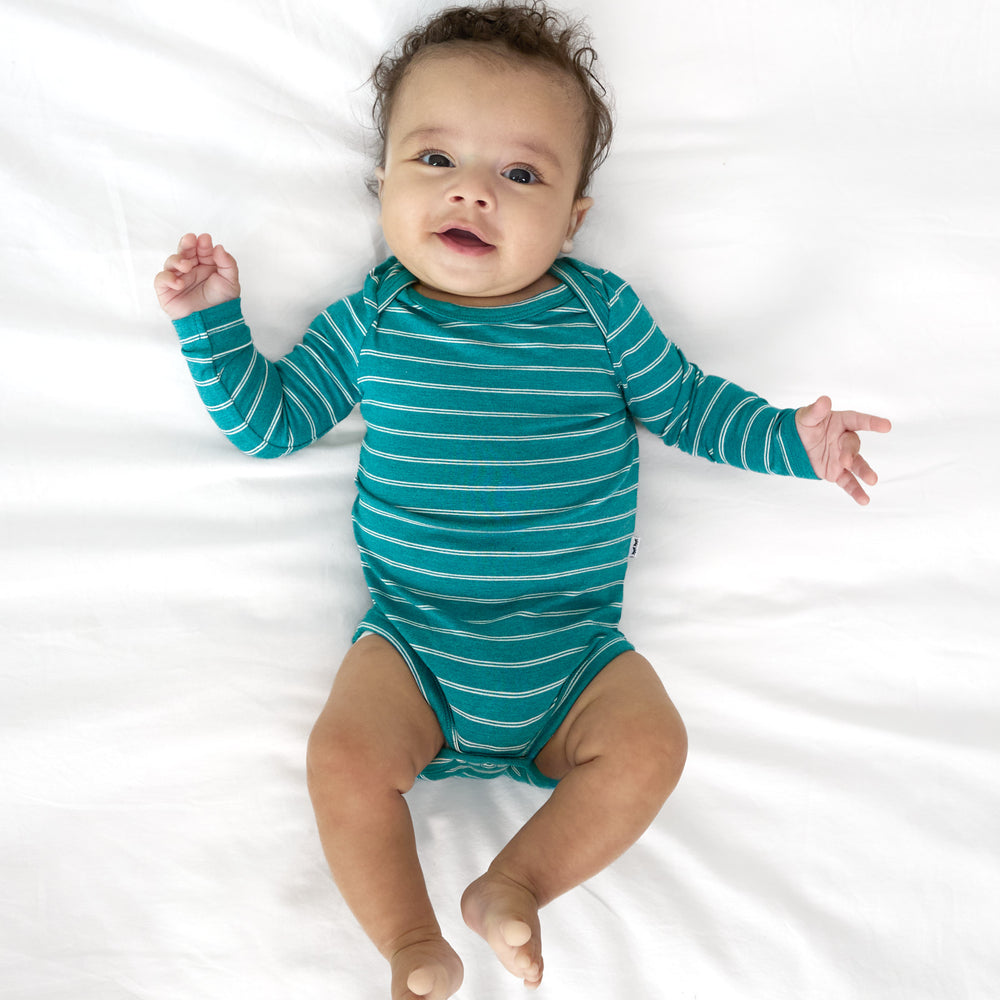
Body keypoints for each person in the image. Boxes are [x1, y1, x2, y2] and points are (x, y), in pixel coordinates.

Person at [154, 4, 891, 998]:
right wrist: (211, 324)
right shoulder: (374, 317)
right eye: (432, 161)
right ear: (381, 186)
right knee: (340, 759)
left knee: (651, 743)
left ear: (574, 215)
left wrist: (791, 440)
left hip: (574, 651)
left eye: (521, 175)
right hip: (411, 643)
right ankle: (410, 940)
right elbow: (269, 422)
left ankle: (515, 883)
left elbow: (685, 406)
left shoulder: (601, 311)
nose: (472, 192)